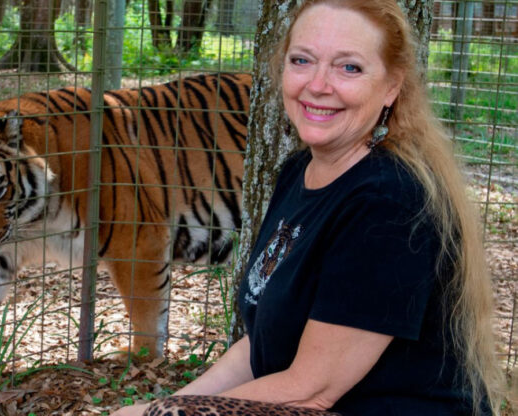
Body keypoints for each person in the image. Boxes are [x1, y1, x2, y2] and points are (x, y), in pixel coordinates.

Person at [112, 0, 505, 415]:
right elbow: (259, 348)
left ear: (392, 86)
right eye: (302, 60)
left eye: (348, 67)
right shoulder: (301, 170)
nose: (317, 85)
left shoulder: (389, 202)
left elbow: (311, 391)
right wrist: (169, 403)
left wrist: (160, 414)